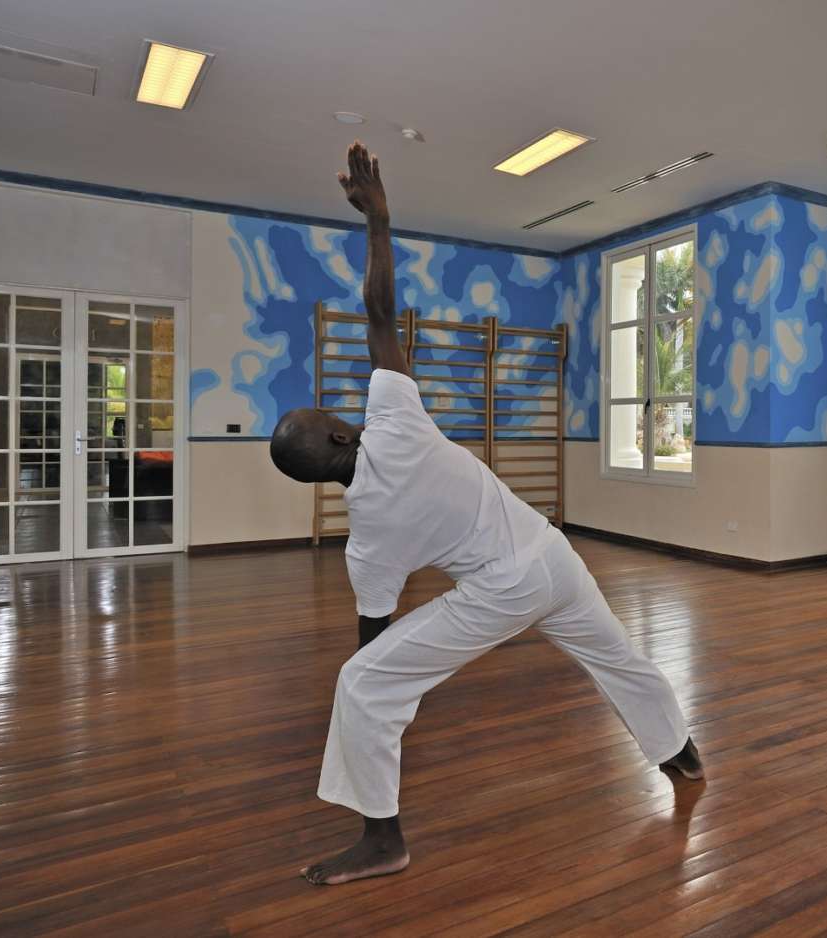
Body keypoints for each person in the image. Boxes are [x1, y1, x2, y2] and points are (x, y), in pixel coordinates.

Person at [269, 142, 702, 886]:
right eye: (330, 411)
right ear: (340, 432)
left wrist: (392, 673)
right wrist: (379, 221)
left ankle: (383, 840)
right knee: (616, 657)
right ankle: (683, 756)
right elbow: (378, 311)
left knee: (363, 683)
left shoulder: (366, 537)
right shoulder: (396, 418)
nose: (341, 409)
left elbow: (374, 638)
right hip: (553, 554)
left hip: (509, 585)